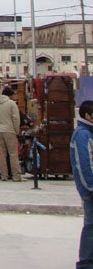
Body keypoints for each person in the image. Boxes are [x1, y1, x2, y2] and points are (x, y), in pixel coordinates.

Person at [70, 99, 93, 268]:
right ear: (88, 116)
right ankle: (85, 263)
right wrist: (90, 187)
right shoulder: (83, 134)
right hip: (90, 189)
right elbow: (83, 164)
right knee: (91, 226)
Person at [0, 86, 22, 182]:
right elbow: (16, 118)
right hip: (10, 130)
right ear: (10, 95)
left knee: (2, 154)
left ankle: (3, 175)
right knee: (13, 154)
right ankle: (16, 175)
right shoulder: (12, 104)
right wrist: (16, 130)